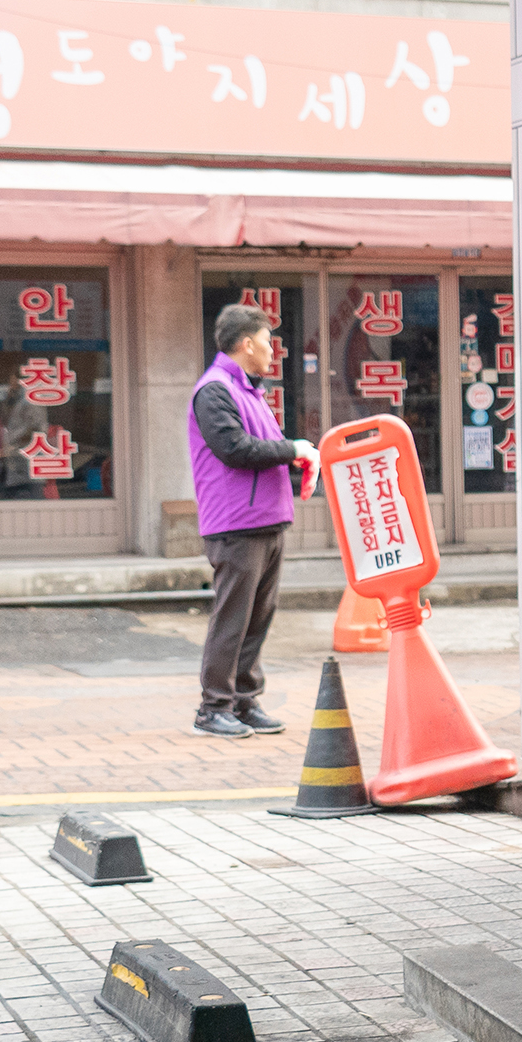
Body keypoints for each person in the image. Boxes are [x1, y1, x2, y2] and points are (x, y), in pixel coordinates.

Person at [188, 302, 314, 738]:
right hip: (236, 523)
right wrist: (293, 449)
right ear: (246, 344)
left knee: (257, 617)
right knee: (233, 618)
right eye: (266, 342)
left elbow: (265, 445)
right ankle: (213, 707)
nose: (271, 350)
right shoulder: (215, 390)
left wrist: (291, 455)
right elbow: (235, 449)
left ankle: (243, 701)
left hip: (266, 519)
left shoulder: (248, 391)